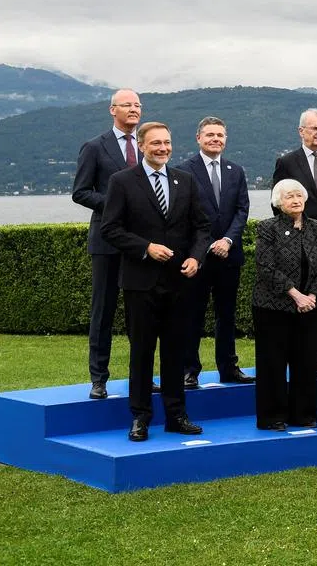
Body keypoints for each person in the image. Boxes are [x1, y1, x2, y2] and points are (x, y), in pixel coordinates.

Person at [100, 122, 211, 441]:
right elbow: (110, 229)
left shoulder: (185, 181)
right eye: (157, 143)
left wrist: (196, 257)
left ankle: (177, 415)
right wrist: (145, 248)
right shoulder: (121, 182)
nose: (163, 148)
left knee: (176, 353)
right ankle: (140, 417)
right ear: (142, 145)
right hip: (140, 282)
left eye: (167, 142)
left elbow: (201, 228)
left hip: (179, 282)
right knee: (142, 354)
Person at [72, 88, 142, 400]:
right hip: (106, 241)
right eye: (127, 104)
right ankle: (98, 379)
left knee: (140, 314)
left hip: (141, 244)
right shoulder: (94, 147)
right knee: (103, 312)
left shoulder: (147, 146)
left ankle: (139, 378)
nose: (133, 109)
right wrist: (118, 205)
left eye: (138, 104)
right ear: (112, 110)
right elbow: (81, 192)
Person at [179, 116, 254, 388]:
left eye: (220, 135)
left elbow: (241, 210)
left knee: (227, 315)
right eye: (210, 134)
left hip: (229, 257)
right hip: (197, 258)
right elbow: (184, 215)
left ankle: (228, 368)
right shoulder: (183, 171)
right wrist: (210, 243)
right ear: (198, 138)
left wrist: (228, 241)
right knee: (193, 315)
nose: (215, 139)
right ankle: (189, 370)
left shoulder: (236, 170)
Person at [251, 179, 317, 430]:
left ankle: (304, 415)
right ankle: (272, 417)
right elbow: (266, 266)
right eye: (289, 197)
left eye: (299, 195)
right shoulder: (267, 228)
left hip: (309, 307)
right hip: (273, 306)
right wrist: (296, 295)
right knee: (272, 363)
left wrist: (313, 297)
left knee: (306, 362)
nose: (295, 200)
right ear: (278, 202)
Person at [272, 108, 317, 376]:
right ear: (301, 131)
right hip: (297, 241)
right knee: (300, 298)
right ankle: (300, 356)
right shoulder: (287, 162)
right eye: (314, 128)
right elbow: (278, 204)